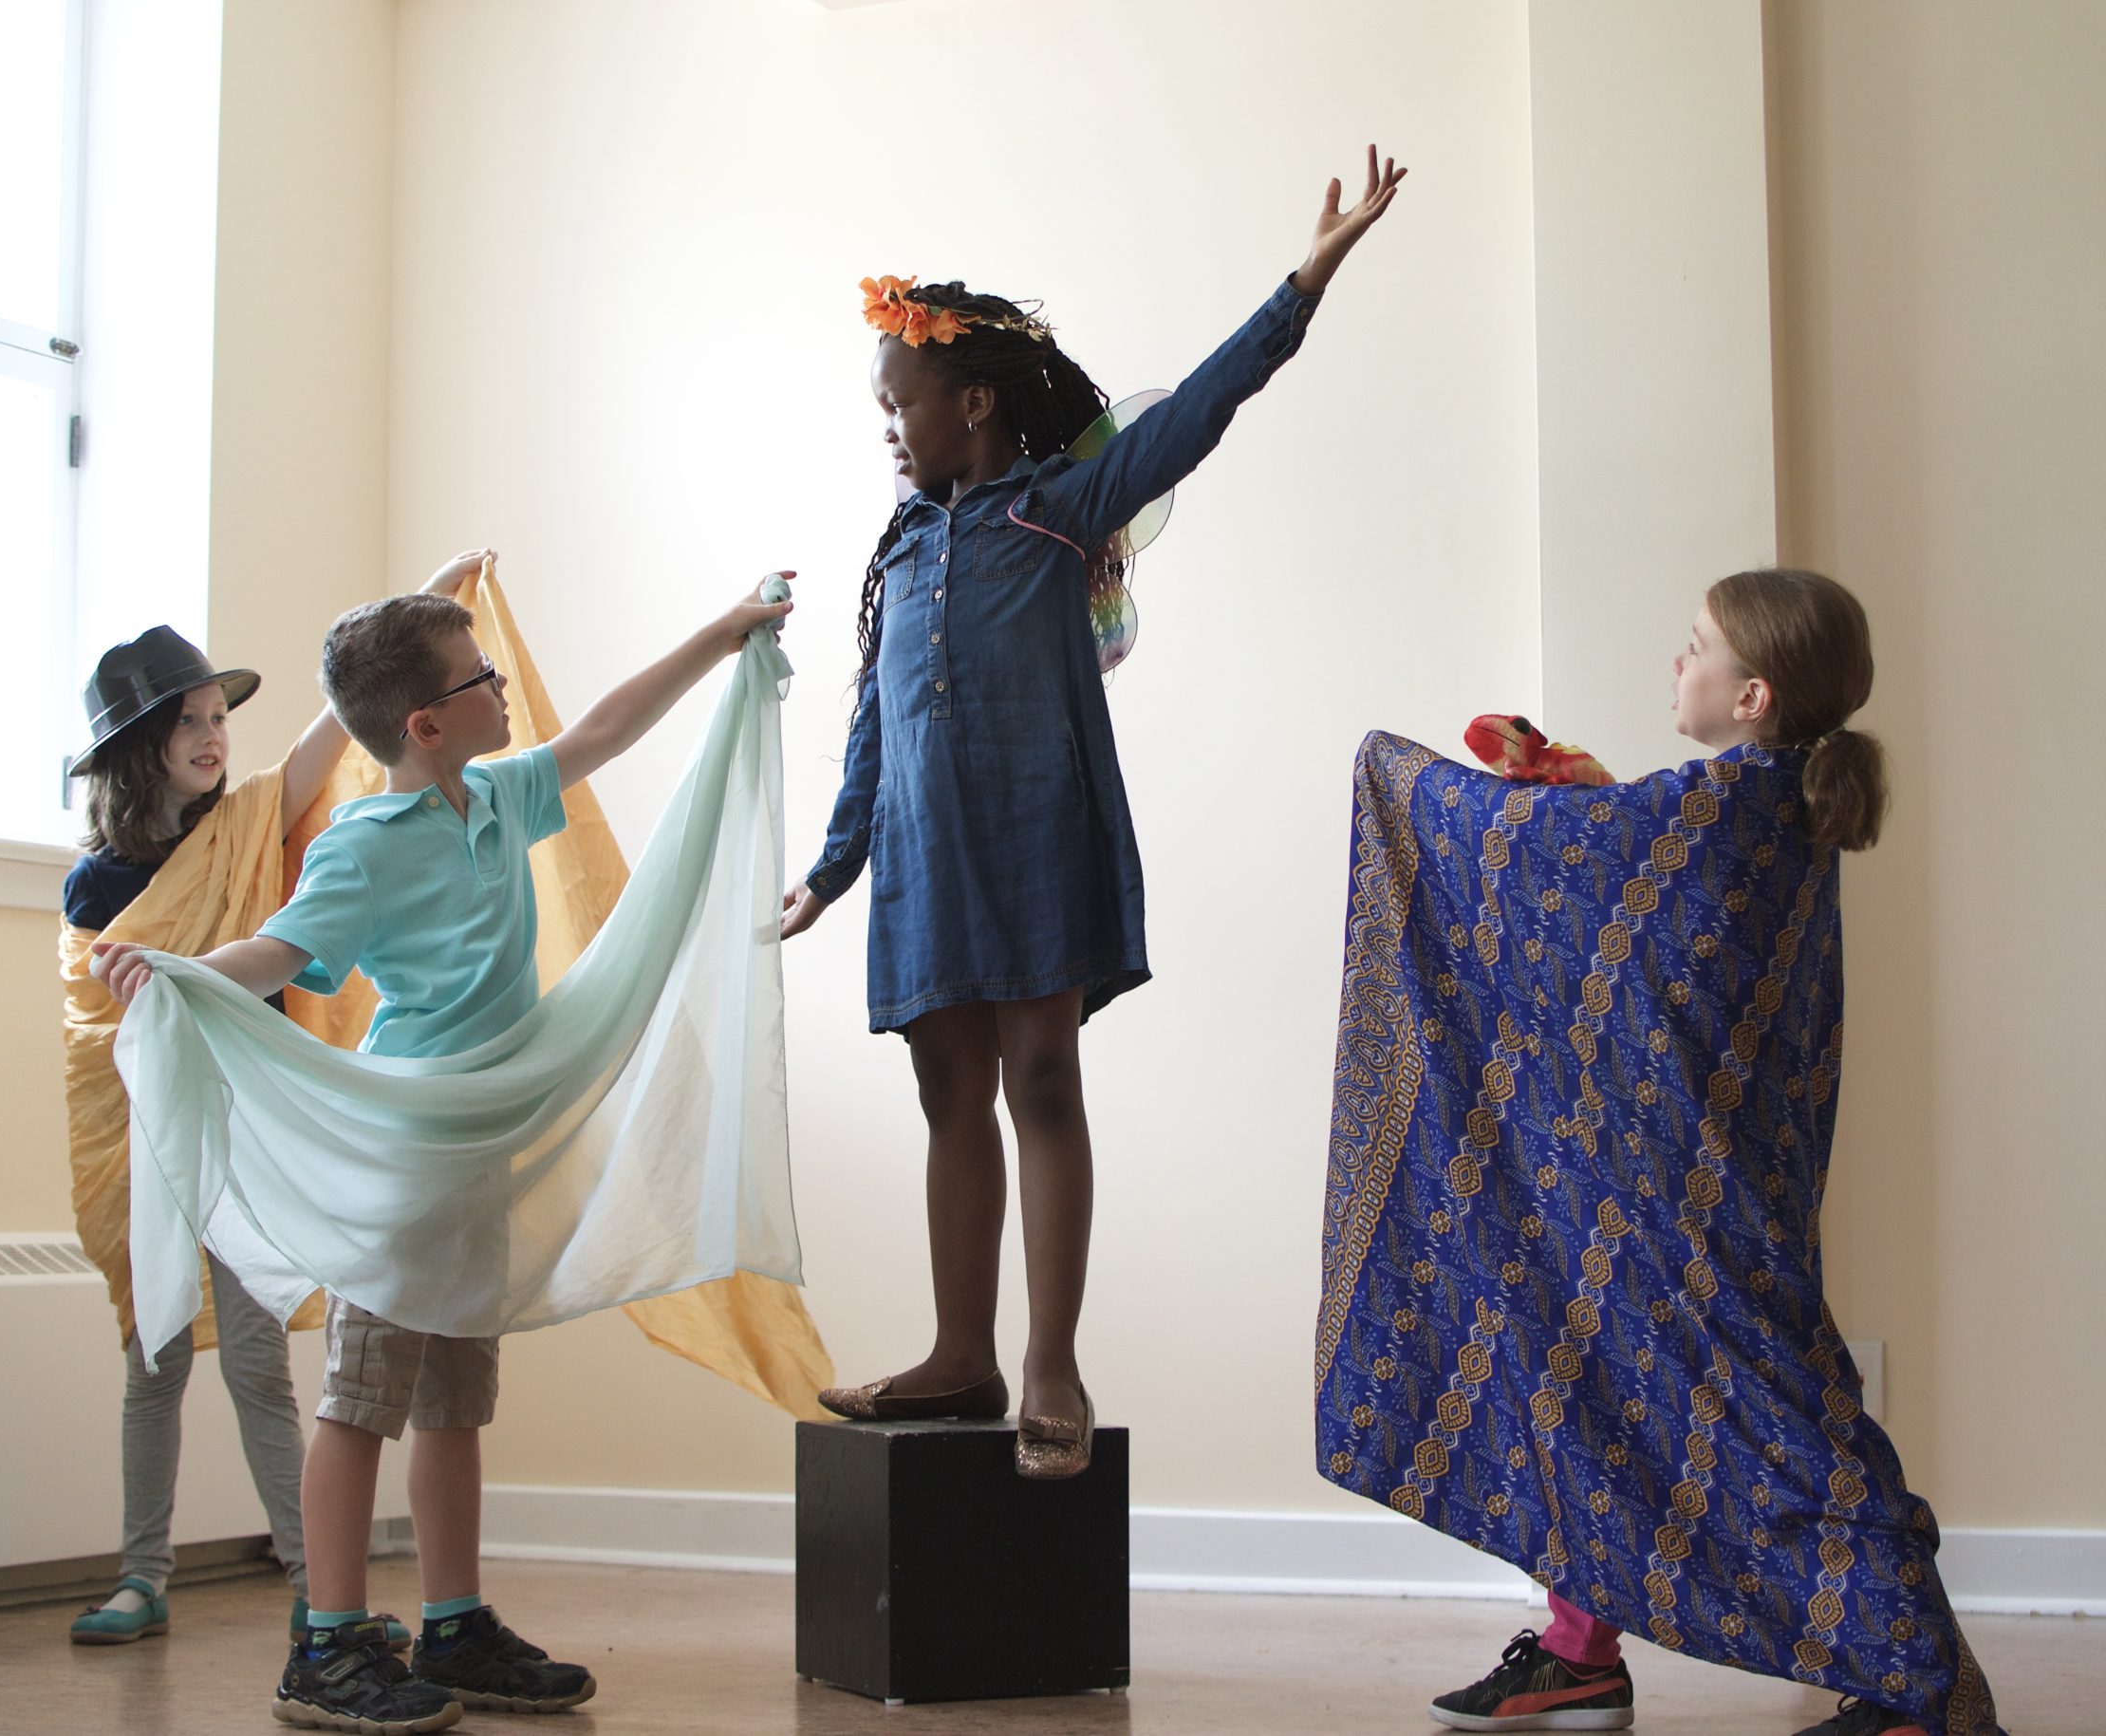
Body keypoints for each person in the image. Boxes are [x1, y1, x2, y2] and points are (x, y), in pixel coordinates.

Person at [785, 148, 1405, 1477]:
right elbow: (868, 723)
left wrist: (1308, 276)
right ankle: (962, 1355)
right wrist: (832, 869)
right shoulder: (898, 546)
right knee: (947, 1090)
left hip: (1033, 835)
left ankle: (1052, 1362)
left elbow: (1202, 408)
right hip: (922, 859)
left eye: (901, 405)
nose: (889, 429)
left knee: (1041, 1077)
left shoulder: (1064, 508)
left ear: (971, 401)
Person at [1313, 569, 2003, 1736]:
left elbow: (1559, 859)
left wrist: (1401, 775)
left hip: (1695, 1193)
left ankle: (1920, 1684)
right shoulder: (1753, 800)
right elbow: (1626, 891)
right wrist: (1585, 795)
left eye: (1694, 649)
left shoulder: (1726, 805)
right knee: (1575, 1354)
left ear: (1752, 694)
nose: (1673, 664)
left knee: (1779, 1415)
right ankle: (1579, 1650)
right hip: (1661, 1170)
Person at [100, 575, 793, 1733]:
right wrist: (174, 973)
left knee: (457, 1400)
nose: (503, 684)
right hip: (407, 1154)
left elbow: (603, 730)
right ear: (425, 724)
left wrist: (723, 634)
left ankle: (455, 1619)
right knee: (363, 1395)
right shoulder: (365, 845)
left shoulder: (500, 794)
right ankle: (323, 1642)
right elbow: (280, 951)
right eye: (482, 677)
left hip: (480, 1140)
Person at [58, 551, 482, 1646]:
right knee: (151, 1354)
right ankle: (141, 1574)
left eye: (216, 715)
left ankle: (311, 1575)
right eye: (187, 720)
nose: (212, 734)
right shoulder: (97, 881)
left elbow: (325, 736)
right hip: (154, 1131)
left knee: (254, 1359)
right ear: (135, 747)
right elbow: (100, 1016)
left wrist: (428, 594)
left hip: (248, 1125)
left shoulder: (248, 824)